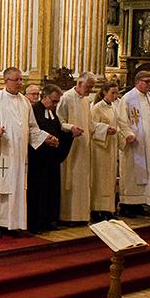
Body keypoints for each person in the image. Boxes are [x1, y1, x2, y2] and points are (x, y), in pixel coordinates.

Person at [0, 68, 54, 234]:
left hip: (21, 154)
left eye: (21, 80)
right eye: (17, 80)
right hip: (4, 153)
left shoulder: (24, 102)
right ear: (6, 80)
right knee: (2, 189)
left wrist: (45, 137)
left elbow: (32, 127)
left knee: (18, 188)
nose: (20, 83)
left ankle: (15, 224)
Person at [117, 71, 150, 217]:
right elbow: (121, 120)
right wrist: (128, 134)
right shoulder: (128, 98)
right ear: (138, 81)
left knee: (148, 176)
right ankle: (127, 205)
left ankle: (141, 203)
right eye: (147, 81)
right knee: (132, 175)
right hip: (136, 145)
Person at [27, 85, 74, 234]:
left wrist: (67, 135)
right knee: (38, 192)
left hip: (51, 159)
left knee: (51, 190)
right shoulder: (34, 110)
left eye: (57, 102)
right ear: (45, 97)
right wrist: (45, 139)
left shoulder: (53, 113)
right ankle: (36, 222)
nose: (55, 105)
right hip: (38, 159)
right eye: (53, 101)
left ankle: (49, 220)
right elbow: (32, 132)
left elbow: (57, 130)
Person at [56, 73, 93, 225]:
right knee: (70, 180)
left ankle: (82, 216)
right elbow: (59, 121)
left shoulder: (86, 100)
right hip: (70, 146)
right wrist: (71, 128)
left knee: (82, 182)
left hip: (84, 146)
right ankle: (68, 216)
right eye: (88, 86)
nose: (90, 90)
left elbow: (90, 123)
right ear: (79, 83)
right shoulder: (67, 98)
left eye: (92, 87)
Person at [90, 82, 120, 221]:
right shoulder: (97, 108)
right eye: (112, 93)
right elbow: (92, 126)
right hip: (100, 147)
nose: (115, 96)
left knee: (110, 179)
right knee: (100, 179)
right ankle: (97, 209)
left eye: (116, 93)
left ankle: (108, 209)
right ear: (104, 93)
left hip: (111, 146)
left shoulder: (114, 107)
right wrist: (105, 128)